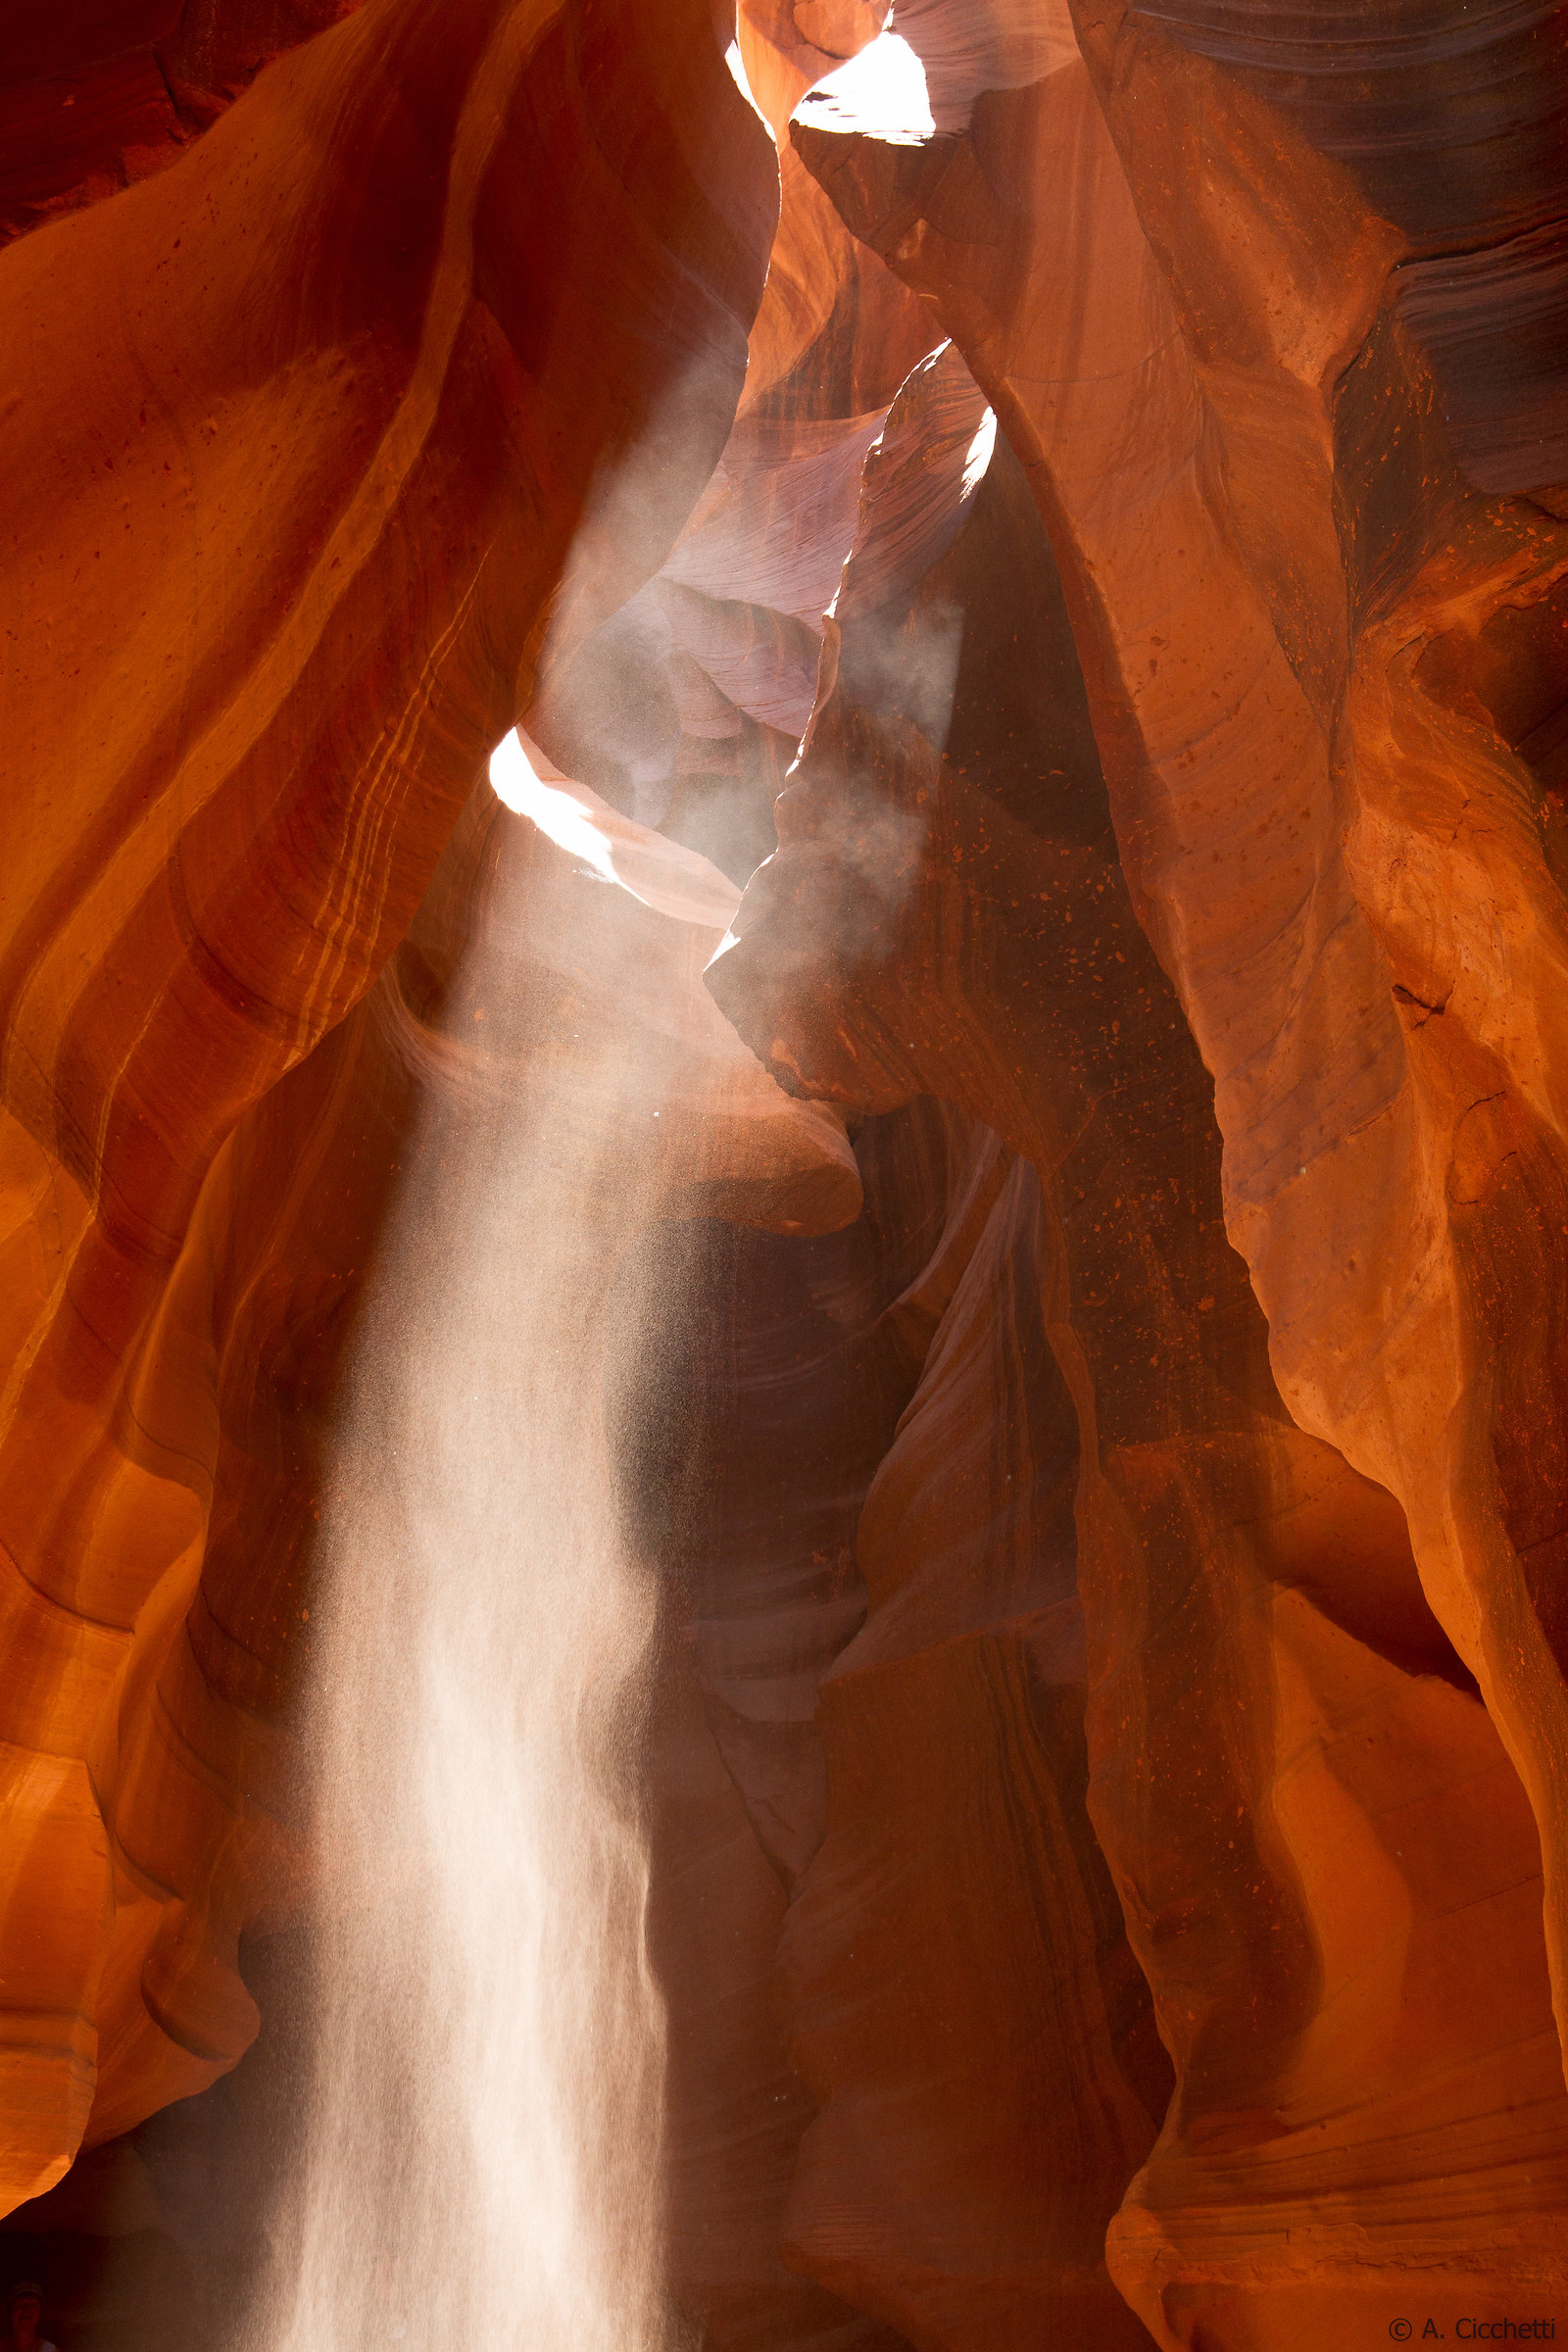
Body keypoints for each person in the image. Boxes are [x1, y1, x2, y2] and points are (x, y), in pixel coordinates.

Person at [5, 2282, 57, 2352]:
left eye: (33, 2305)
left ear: (40, 2313)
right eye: (20, 2305)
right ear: (10, 2313)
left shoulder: (50, 2350)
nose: (26, 2310)